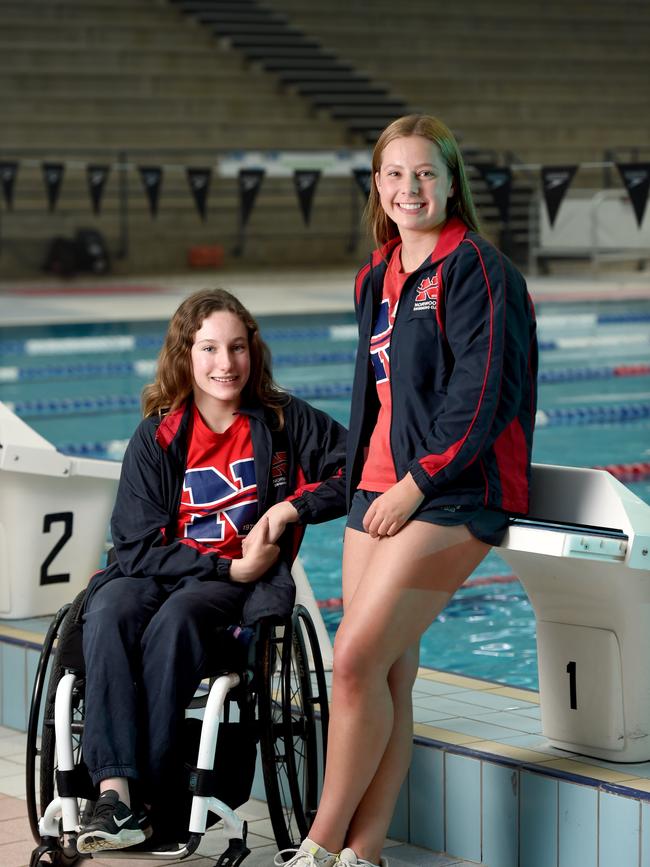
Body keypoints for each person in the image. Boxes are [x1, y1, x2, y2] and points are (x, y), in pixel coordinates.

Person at [279, 114, 538, 867]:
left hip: (456, 493)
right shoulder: (376, 273)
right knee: (388, 668)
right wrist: (355, 486)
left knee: (354, 661)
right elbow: (377, 399)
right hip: (376, 491)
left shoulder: (478, 270)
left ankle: (320, 847)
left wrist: (417, 485)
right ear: (378, 186)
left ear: (451, 181)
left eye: (425, 172)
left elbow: (482, 394)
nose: (409, 187)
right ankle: (366, 850)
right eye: (395, 173)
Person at [76, 288, 347, 854]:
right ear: (185, 354)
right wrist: (227, 566)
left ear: (254, 352)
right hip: (174, 573)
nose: (226, 364)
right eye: (210, 349)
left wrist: (289, 508)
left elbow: (356, 468)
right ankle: (114, 794)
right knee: (107, 610)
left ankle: (149, 800)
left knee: (178, 617)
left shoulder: (283, 422)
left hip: (226, 592)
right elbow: (134, 546)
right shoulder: (157, 436)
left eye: (238, 347)